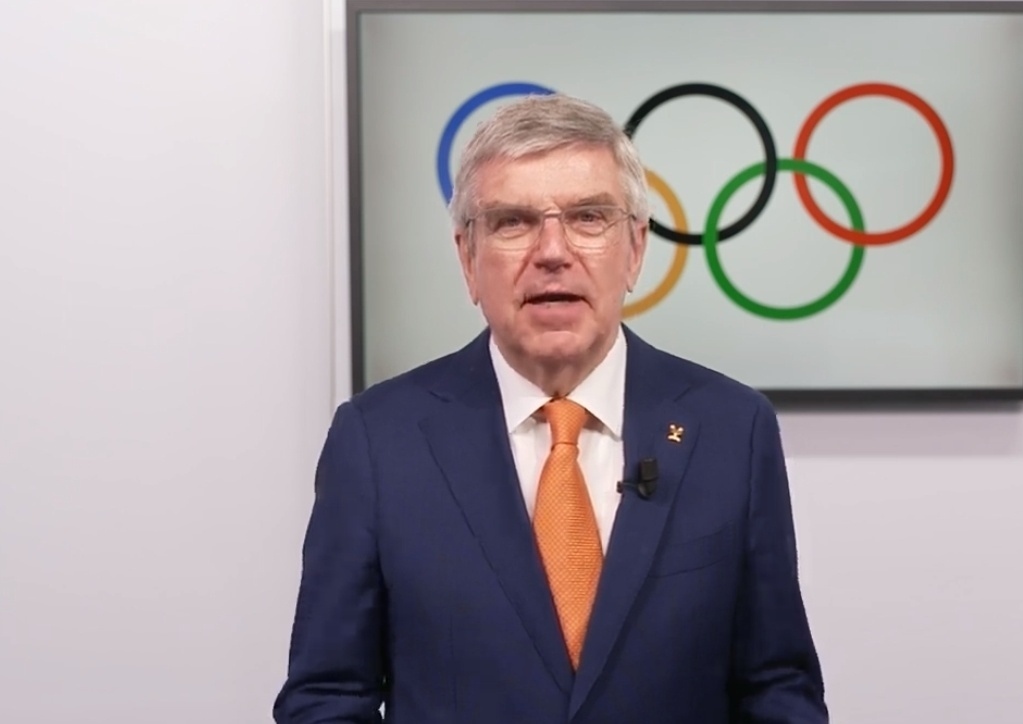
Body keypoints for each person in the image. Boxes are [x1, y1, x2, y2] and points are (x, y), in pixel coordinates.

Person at [272, 93, 827, 723]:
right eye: (513, 222)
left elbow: (777, 688)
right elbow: (326, 698)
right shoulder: (378, 440)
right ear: (467, 258)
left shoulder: (733, 429)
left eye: (589, 217)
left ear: (635, 249)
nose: (553, 252)